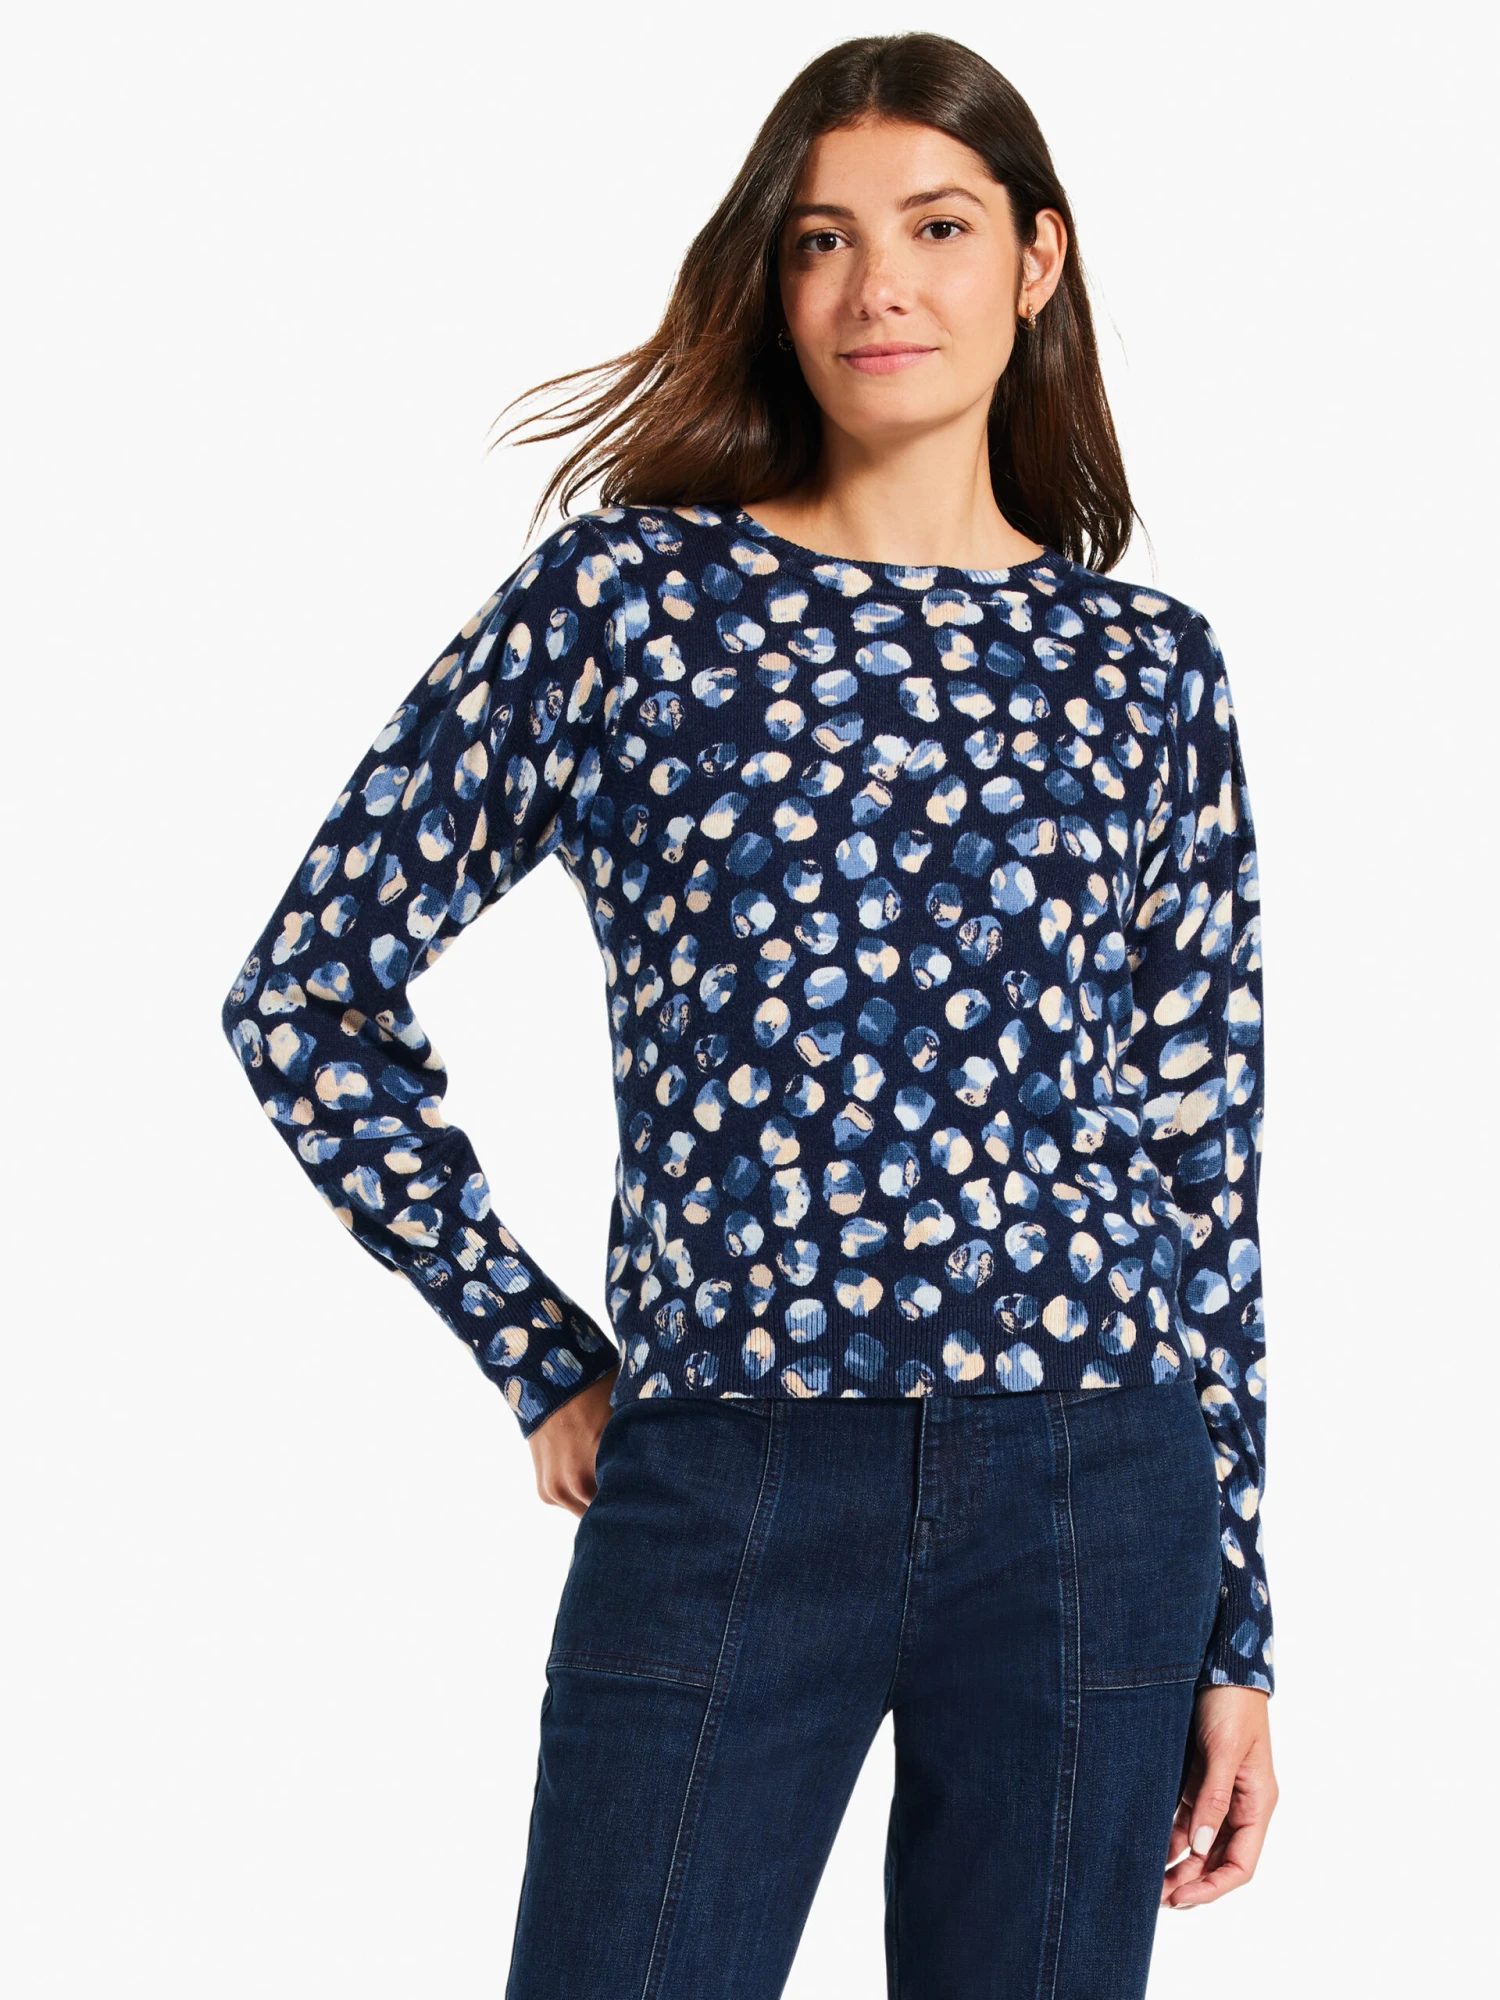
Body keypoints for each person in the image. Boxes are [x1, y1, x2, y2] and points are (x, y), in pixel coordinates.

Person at [220, 30, 1276, 1999]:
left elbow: (1201, 1152)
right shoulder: (627, 606)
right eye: (821, 238)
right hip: (730, 1475)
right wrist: (535, 1349)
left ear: (1037, 258)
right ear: (773, 280)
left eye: (937, 227)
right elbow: (307, 988)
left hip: (1093, 1488)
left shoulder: (1146, 667)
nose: (880, 284)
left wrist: (1239, 1627)